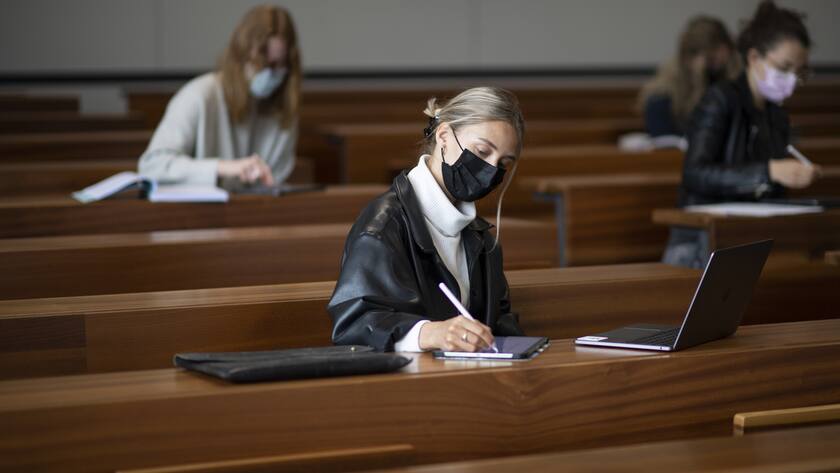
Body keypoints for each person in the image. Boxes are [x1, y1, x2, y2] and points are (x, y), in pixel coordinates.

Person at [327, 87, 526, 353]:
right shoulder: (383, 225)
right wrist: (430, 333)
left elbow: (499, 324)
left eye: (503, 163)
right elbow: (354, 324)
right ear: (444, 135)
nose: (491, 170)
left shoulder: (482, 237)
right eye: (481, 152)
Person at [663, 0, 822, 268]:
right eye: (784, 68)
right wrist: (768, 172)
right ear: (754, 58)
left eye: (800, 72)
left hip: (750, 237)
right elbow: (695, 173)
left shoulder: (777, 115)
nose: (792, 80)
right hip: (702, 242)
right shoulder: (719, 100)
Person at [138, 5, 301, 191]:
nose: (270, 74)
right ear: (240, 54)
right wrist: (223, 168)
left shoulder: (284, 111)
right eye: (262, 63)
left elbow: (273, 181)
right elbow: (152, 166)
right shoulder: (198, 96)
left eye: (278, 65)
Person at [638, 16, 740, 140]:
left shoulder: (734, 73)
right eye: (713, 55)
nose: (723, 54)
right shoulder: (665, 91)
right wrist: (698, 83)